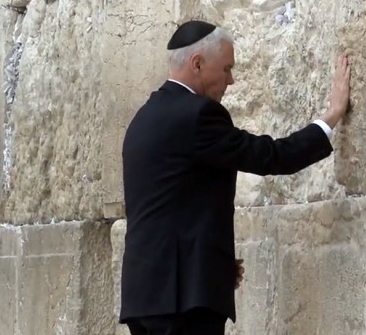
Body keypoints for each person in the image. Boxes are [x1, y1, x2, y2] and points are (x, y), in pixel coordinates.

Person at [119, 20, 352, 335]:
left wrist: (214, 263)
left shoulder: (144, 118)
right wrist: (332, 116)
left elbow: (171, 204)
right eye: (226, 69)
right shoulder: (198, 115)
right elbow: (270, 156)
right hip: (183, 301)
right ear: (198, 64)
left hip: (146, 296)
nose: (231, 80)